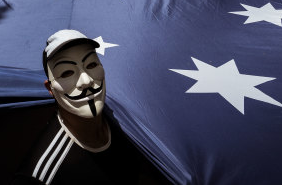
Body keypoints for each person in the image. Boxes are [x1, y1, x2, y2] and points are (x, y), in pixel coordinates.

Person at [11, 29, 169, 185]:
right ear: (50, 89)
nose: (86, 81)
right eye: (66, 73)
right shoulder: (40, 176)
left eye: (91, 64)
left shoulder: (125, 125)